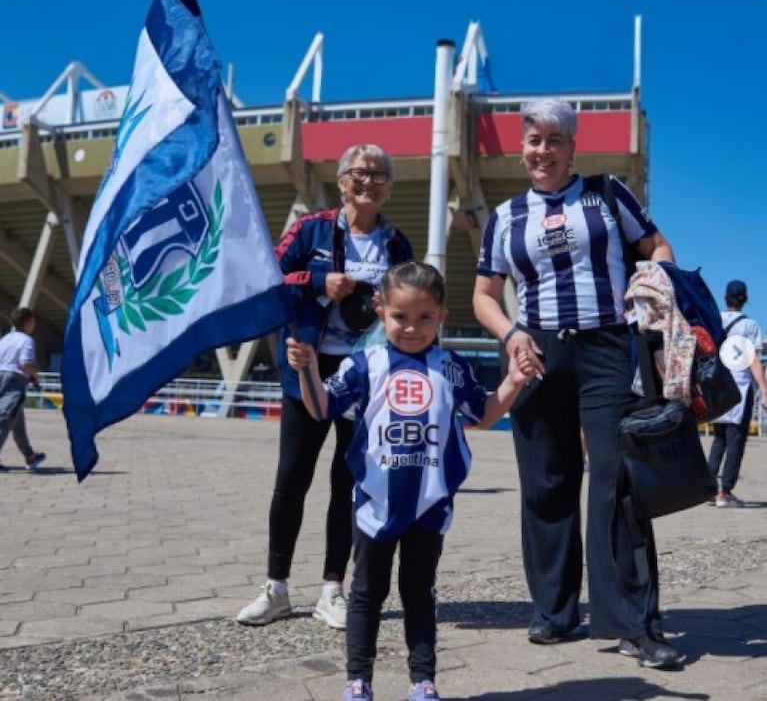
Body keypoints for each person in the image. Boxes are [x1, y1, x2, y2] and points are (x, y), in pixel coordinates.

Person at [472, 99, 683, 669]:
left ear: (572, 147)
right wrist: (512, 334)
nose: (542, 151)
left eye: (553, 141)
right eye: (533, 140)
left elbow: (656, 246)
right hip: (537, 350)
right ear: (522, 148)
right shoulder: (506, 216)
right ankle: (554, 611)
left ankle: (633, 623)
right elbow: (484, 296)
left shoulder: (607, 193)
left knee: (618, 481)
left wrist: (653, 279)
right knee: (546, 482)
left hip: (608, 348)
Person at [287, 261, 536, 701]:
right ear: (381, 311)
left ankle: (422, 680)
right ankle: (357, 680)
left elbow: (484, 412)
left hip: (429, 503)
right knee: (366, 593)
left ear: (441, 316)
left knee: (419, 592)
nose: (412, 328)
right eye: (401, 316)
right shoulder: (365, 363)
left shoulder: (450, 367)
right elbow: (321, 407)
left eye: (425, 318)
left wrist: (514, 382)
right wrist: (306, 369)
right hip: (373, 501)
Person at [237, 144, 414, 629]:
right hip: (309, 367)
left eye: (380, 175)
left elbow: (412, 301)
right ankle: (274, 587)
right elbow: (266, 278)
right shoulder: (310, 229)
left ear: (389, 187)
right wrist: (319, 280)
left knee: (347, 483)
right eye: (359, 173)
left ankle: (332, 589)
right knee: (291, 477)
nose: (369, 181)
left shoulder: (397, 244)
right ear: (341, 181)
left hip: (364, 374)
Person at [707, 279, 767, 507]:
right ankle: (725, 492)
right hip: (739, 389)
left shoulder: (715, 320)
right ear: (745, 299)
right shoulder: (750, 325)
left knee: (719, 439)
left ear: (725, 298)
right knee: (735, 442)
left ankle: (709, 489)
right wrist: (764, 388)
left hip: (717, 388)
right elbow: (753, 359)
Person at [0, 307, 46, 472]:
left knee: (17, 421)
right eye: (33, 321)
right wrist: (35, 376)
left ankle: (29, 455)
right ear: (27, 322)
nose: (34, 324)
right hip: (15, 381)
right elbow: (25, 364)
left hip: (1, 377)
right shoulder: (27, 340)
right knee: (5, 418)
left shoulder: (6, 339)